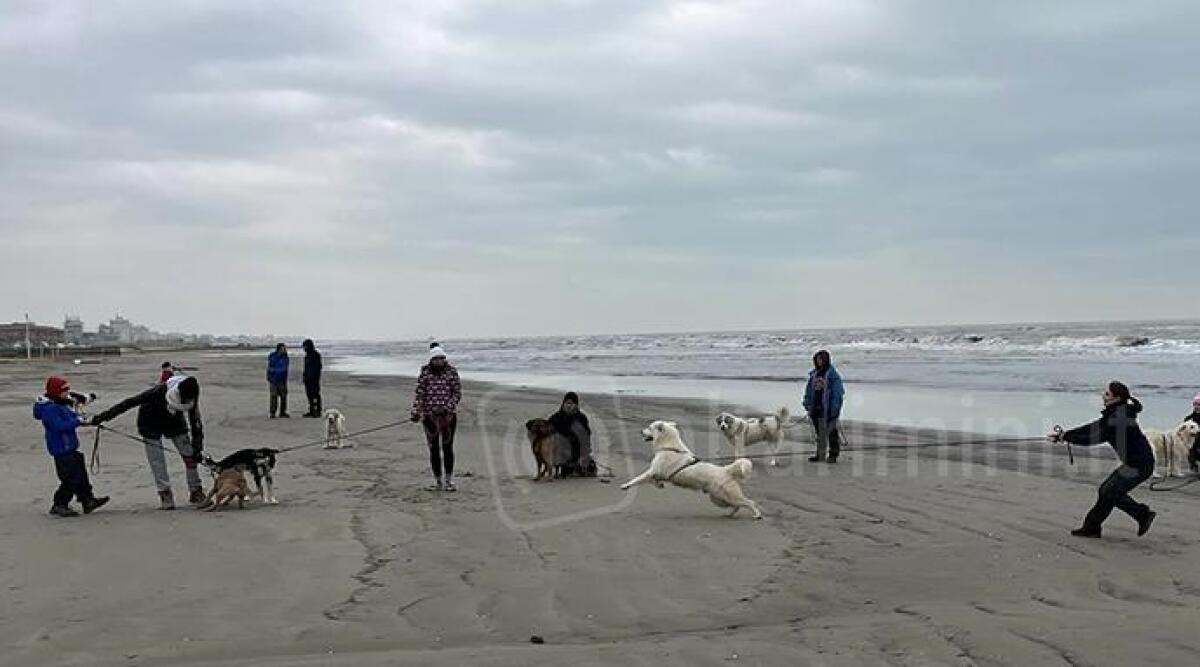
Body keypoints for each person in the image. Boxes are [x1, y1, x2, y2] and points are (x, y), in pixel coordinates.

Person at [1048, 381, 1156, 539]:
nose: (1102, 396)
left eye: (1106, 394)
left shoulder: (1119, 417)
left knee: (1109, 491)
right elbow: (1092, 428)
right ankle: (1092, 527)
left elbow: (1095, 437)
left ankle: (1142, 514)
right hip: (1134, 463)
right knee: (1107, 491)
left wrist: (1066, 437)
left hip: (1140, 465)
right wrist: (1064, 435)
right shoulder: (1116, 412)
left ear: (1116, 398)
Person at [91, 375, 206, 509]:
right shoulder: (159, 391)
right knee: (157, 461)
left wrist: (197, 447)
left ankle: (196, 490)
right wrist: (101, 418)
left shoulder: (192, 394)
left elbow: (195, 422)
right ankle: (165, 493)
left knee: (190, 455)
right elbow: (129, 403)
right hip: (149, 422)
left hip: (175, 423)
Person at [34, 376, 109, 517]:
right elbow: (57, 426)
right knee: (70, 479)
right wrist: (77, 422)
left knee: (81, 474)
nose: (67, 392)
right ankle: (59, 504)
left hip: (70, 446)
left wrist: (86, 421)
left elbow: (72, 417)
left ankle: (87, 500)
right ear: (56, 392)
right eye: (64, 390)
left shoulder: (61, 404)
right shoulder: (50, 409)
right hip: (61, 449)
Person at [410, 345, 462, 492]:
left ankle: (449, 481)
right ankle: (438, 481)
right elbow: (420, 394)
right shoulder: (425, 373)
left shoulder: (452, 372)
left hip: (448, 417)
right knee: (433, 449)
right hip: (429, 417)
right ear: (431, 360)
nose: (439, 361)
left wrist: (448, 406)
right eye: (436, 359)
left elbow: (457, 393)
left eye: (441, 358)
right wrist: (416, 412)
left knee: (447, 448)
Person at [803, 349, 845, 463]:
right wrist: (806, 402)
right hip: (816, 406)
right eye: (817, 360)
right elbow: (809, 390)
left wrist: (835, 408)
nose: (818, 362)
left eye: (820, 360)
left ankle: (833, 454)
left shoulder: (832, 375)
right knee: (819, 433)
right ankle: (820, 454)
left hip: (828, 408)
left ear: (825, 360)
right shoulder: (814, 374)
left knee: (831, 433)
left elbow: (838, 393)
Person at [548, 391, 596, 477]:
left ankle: (579, 464)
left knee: (589, 469)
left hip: (578, 449)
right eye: (567, 403)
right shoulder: (555, 418)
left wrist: (585, 453)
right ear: (563, 404)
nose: (569, 405)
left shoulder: (581, 418)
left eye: (572, 403)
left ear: (576, 405)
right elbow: (547, 432)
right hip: (560, 450)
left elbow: (587, 436)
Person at [267, 343, 290, 418]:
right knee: (273, 396)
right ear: (279, 349)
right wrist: (270, 376)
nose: (284, 350)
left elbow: (285, 367)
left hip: (282, 379)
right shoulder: (273, 356)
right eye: (283, 348)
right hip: (273, 379)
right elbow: (270, 367)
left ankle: (282, 412)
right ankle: (272, 412)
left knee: (283, 396)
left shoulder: (285, 357)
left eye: (285, 348)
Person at [301, 339, 323, 418]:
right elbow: (305, 368)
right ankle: (311, 410)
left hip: (314, 379)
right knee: (309, 395)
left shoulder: (316, 355)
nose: (304, 348)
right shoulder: (306, 356)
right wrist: (304, 376)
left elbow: (319, 367)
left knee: (315, 395)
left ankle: (318, 411)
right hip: (308, 379)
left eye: (305, 346)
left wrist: (315, 377)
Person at [1185, 393, 1200, 471]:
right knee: (1191, 452)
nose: (1197, 407)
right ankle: (1193, 465)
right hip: (1192, 442)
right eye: (1195, 404)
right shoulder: (1189, 418)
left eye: (1199, 405)